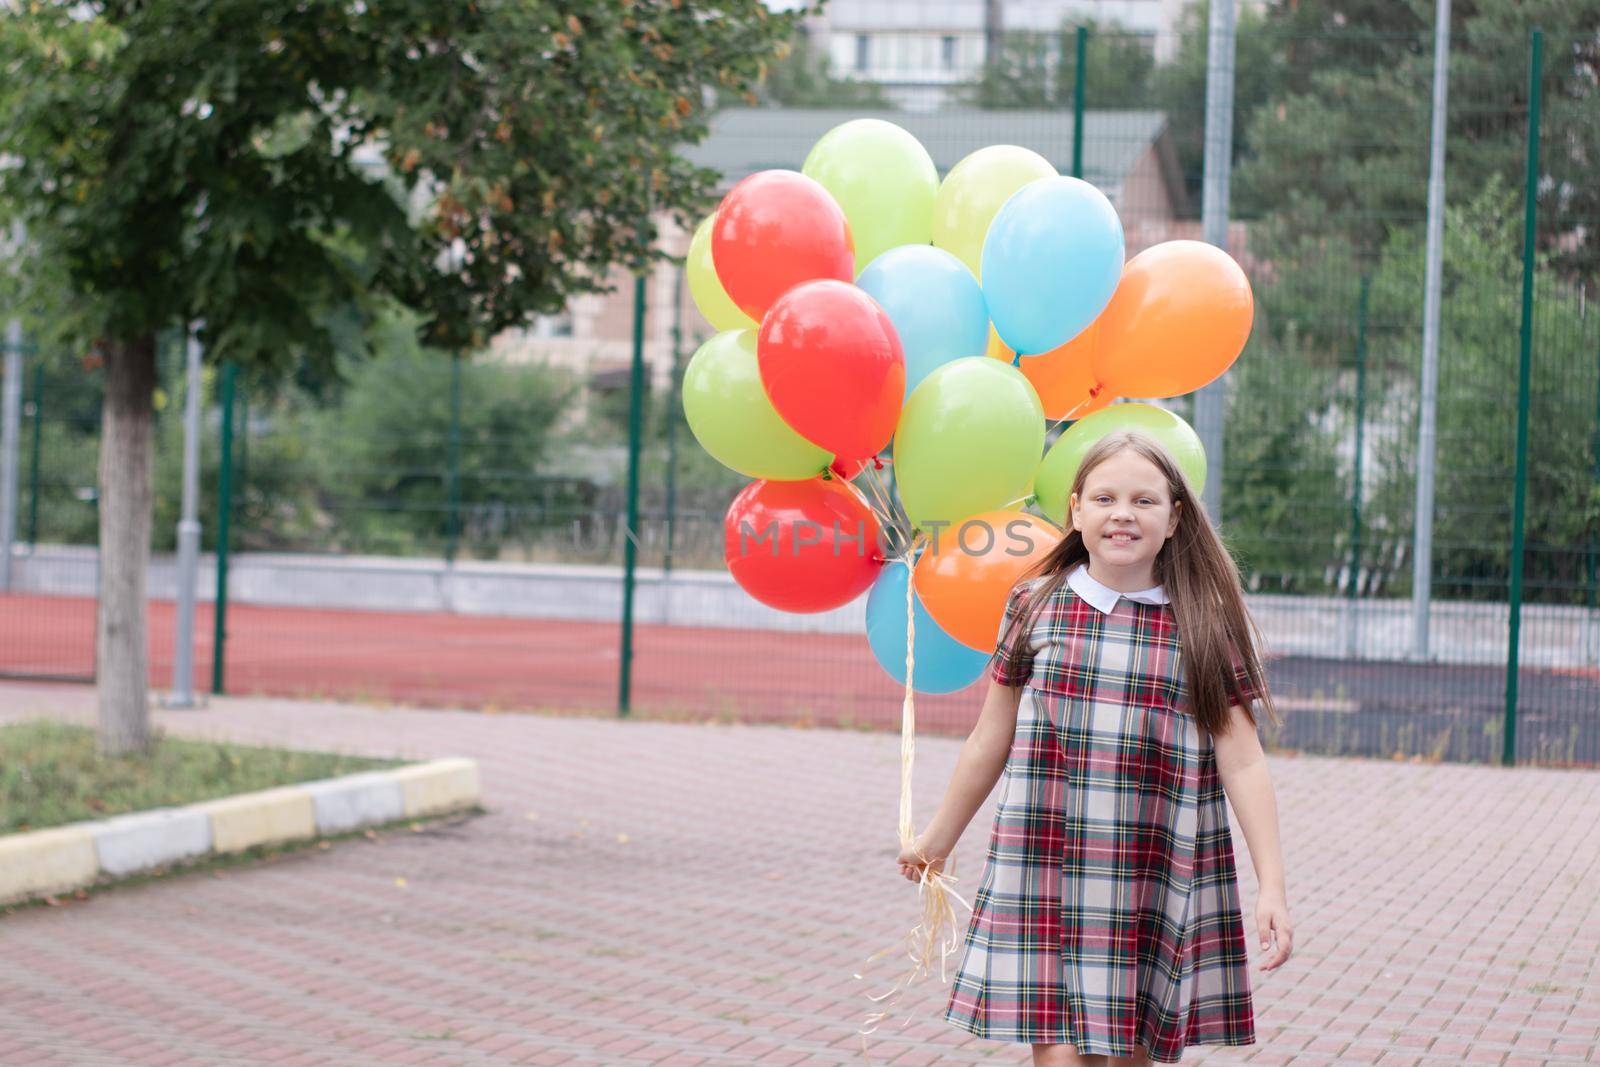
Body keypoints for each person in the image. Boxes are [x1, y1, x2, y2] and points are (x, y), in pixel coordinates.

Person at [896, 430, 1294, 1066]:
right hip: (1047, 861)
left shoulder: (1203, 619)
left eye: (1144, 500)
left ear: (1174, 519)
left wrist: (1271, 885)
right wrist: (938, 839)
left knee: (1130, 1055)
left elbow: (1242, 758)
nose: (1123, 514)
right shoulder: (1034, 605)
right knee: (1058, 1050)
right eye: (1105, 498)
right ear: (1076, 510)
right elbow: (989, 736)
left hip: (1151, 873)